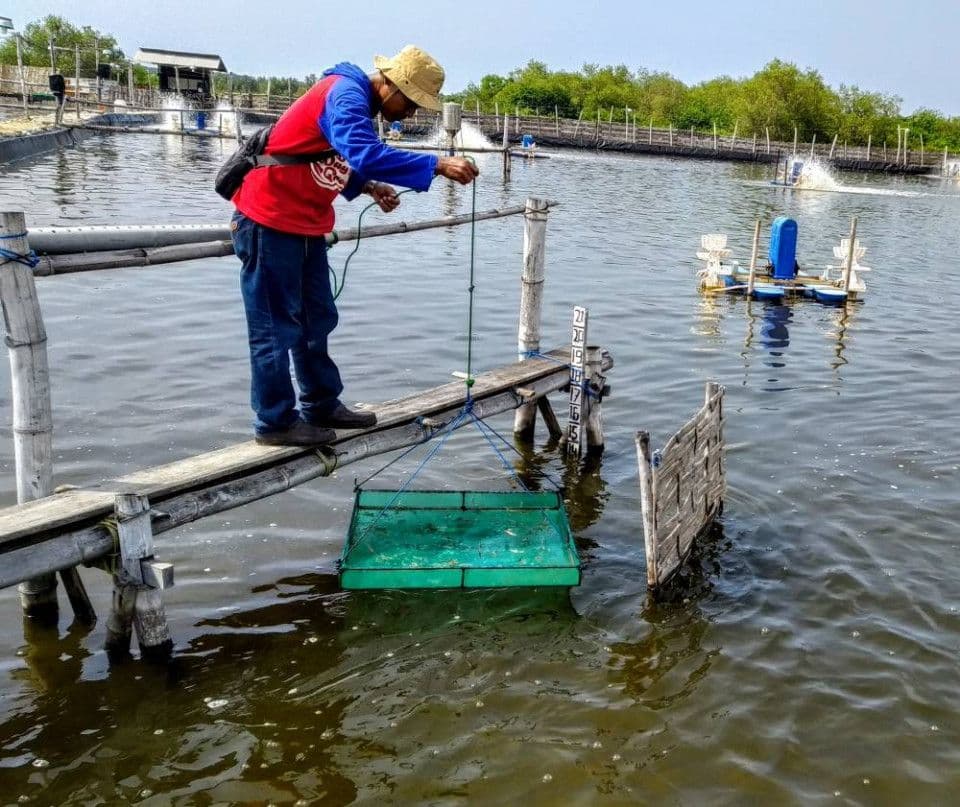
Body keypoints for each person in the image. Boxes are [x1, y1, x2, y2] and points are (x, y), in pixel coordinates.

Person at [230, 46, 479, 447]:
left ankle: (321, 405)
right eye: (411, 103)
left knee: (316, 319)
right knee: (275, 327)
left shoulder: (357, 101)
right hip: (268, 220)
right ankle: (275, 422)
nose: (411, 114)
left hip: (304, 224)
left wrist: (366, 185)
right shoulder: (346, 93)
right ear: (392, 85)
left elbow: (319, 153)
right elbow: (363, 151)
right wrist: (436, 164)